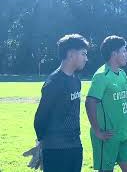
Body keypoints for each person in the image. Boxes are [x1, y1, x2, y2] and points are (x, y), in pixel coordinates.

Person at [26, 34, 89, 172]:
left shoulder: (76, 81)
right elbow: (40, 118)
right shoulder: (54, 83)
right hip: (56, 149)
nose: (86, 58)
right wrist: (41, 145)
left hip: (75, 146)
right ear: (71, 54)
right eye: (83, 54)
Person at [85, 35, 127, 172]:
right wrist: (97, 130)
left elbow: (118, 101)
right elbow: (90, 101)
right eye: (124, 51)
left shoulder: (122, 74)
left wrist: (126, 118)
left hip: (124, 132)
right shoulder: (101, 76)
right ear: (114, 53)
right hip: (108, 135)